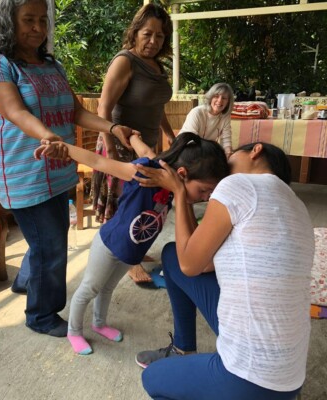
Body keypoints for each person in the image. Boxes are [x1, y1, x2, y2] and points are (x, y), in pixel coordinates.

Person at [0, 0, 139, 338]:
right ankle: (42, 315)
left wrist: (112, 127)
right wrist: (48, 137)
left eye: (42, 20)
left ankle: (26, 281)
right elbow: (16, 112)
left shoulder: (52, 66)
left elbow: (76, 112)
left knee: (47, 238)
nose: (37, 28)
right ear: (9, 21)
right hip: (25, 172)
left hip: (58, 169)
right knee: (50, 246)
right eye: (28, 20)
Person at [133, 142, 315, 400]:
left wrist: (180, 192)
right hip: (290, 380)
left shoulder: (239, 184)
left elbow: (190, 265)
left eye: (230, 156)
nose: (224, 164)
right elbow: (199, 260)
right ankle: (182, 348)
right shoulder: (296, 206)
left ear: (255, 151)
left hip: (247, 379)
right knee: (171, 255)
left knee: (152, 378)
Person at [34, 132, 229, 355]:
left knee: (108, 288)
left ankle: (99, 323)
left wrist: (134, 137)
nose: (206, 197)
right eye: (204, 190)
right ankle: (74, 331)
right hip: (109, 244)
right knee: (89, 289)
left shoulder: (172, 183)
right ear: (182, 174)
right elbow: (98, 161)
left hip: (132, 251)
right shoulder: (145, 172)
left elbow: (146, 149)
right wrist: (64, 148)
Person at [91, 3, 175, 284]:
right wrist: (112, 152)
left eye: (160, 36)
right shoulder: (125, 61)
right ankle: (128, 261)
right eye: (147, 34)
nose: (153, 41)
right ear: (135, 32)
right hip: (118, 144)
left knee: (139, 204)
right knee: (124, 207)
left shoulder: (157, 66)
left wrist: (169, 134)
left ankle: (132, 252)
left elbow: (157, 105)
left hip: (144, 146)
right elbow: (103, 108)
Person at [180, 82, 234, 158]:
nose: (220, 100)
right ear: (210, 97)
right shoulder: (197, 112)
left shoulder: (225, 116)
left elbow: (226, 140)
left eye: (224, 98)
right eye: (216, 96)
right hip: (186, 149)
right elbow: (190, 139)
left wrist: (228, 153)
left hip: (205, 152)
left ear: (228, 102)